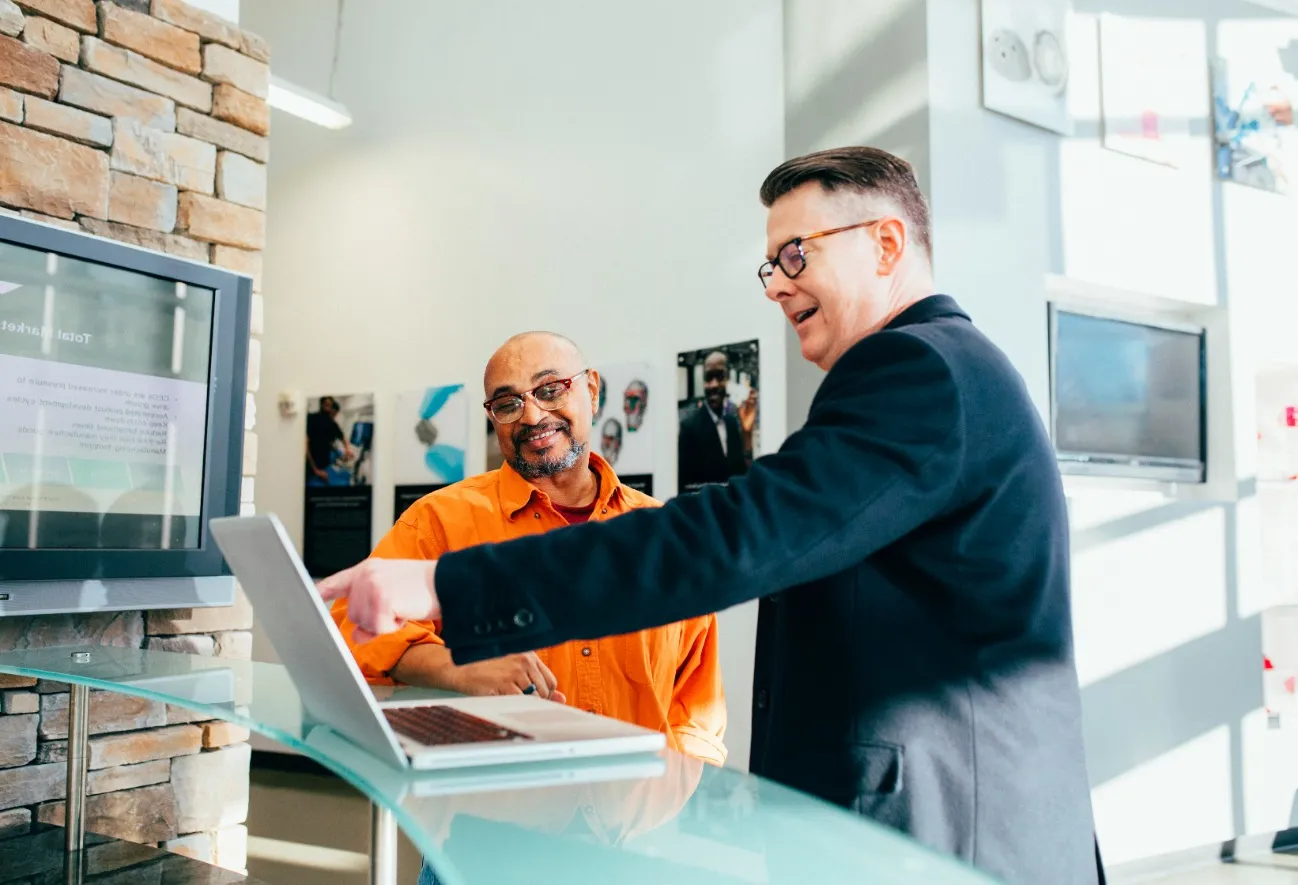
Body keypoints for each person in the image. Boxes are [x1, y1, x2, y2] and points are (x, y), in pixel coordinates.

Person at [320, 146, 1102, 885]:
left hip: (945, 831)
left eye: (797, 253)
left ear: (888, 244)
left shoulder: (918, 368)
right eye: (772, 263)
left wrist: (446, 587)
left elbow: (736, 536)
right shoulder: (940, 371)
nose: (776, 284)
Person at [330, 331, 726, 765]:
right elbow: (352, 626)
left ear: (591, 391)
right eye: (507, 404)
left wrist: (673, 802)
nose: (532, 415)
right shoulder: (438, 521)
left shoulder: (661, 535)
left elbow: (697, 706)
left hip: (636, 817)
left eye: (550, 389)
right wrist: (459, 667)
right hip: (496, 812)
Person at [677, 351, 756, 492]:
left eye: (720, 377)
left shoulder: (732, 423)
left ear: (728, 379)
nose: (714, 385)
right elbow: (685, 488)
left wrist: (746, 434)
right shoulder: (689, 428)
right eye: (708, 378)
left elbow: (743, 476)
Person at [305, 395, 347, 485]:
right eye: (327, 405)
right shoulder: (313, 419)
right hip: (312, 469)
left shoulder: (331, 424)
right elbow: (306, 446)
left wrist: (347, 450)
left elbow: (339, 438)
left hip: (324, 467)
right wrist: (316, 470)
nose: (334, 417)